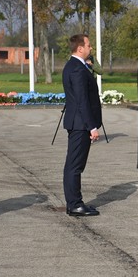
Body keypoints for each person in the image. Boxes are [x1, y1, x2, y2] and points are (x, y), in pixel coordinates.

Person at [61, 34, 102, 218]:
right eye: (88, 45)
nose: (90, 48)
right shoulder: (77, 68)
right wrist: (91, 127)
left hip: (78, 123)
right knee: (74, 166)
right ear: (80, 48)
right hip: (80, 124)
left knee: (75, 165)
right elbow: (82, 101)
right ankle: (74, 204)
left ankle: (76, 202)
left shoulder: (77, 66)